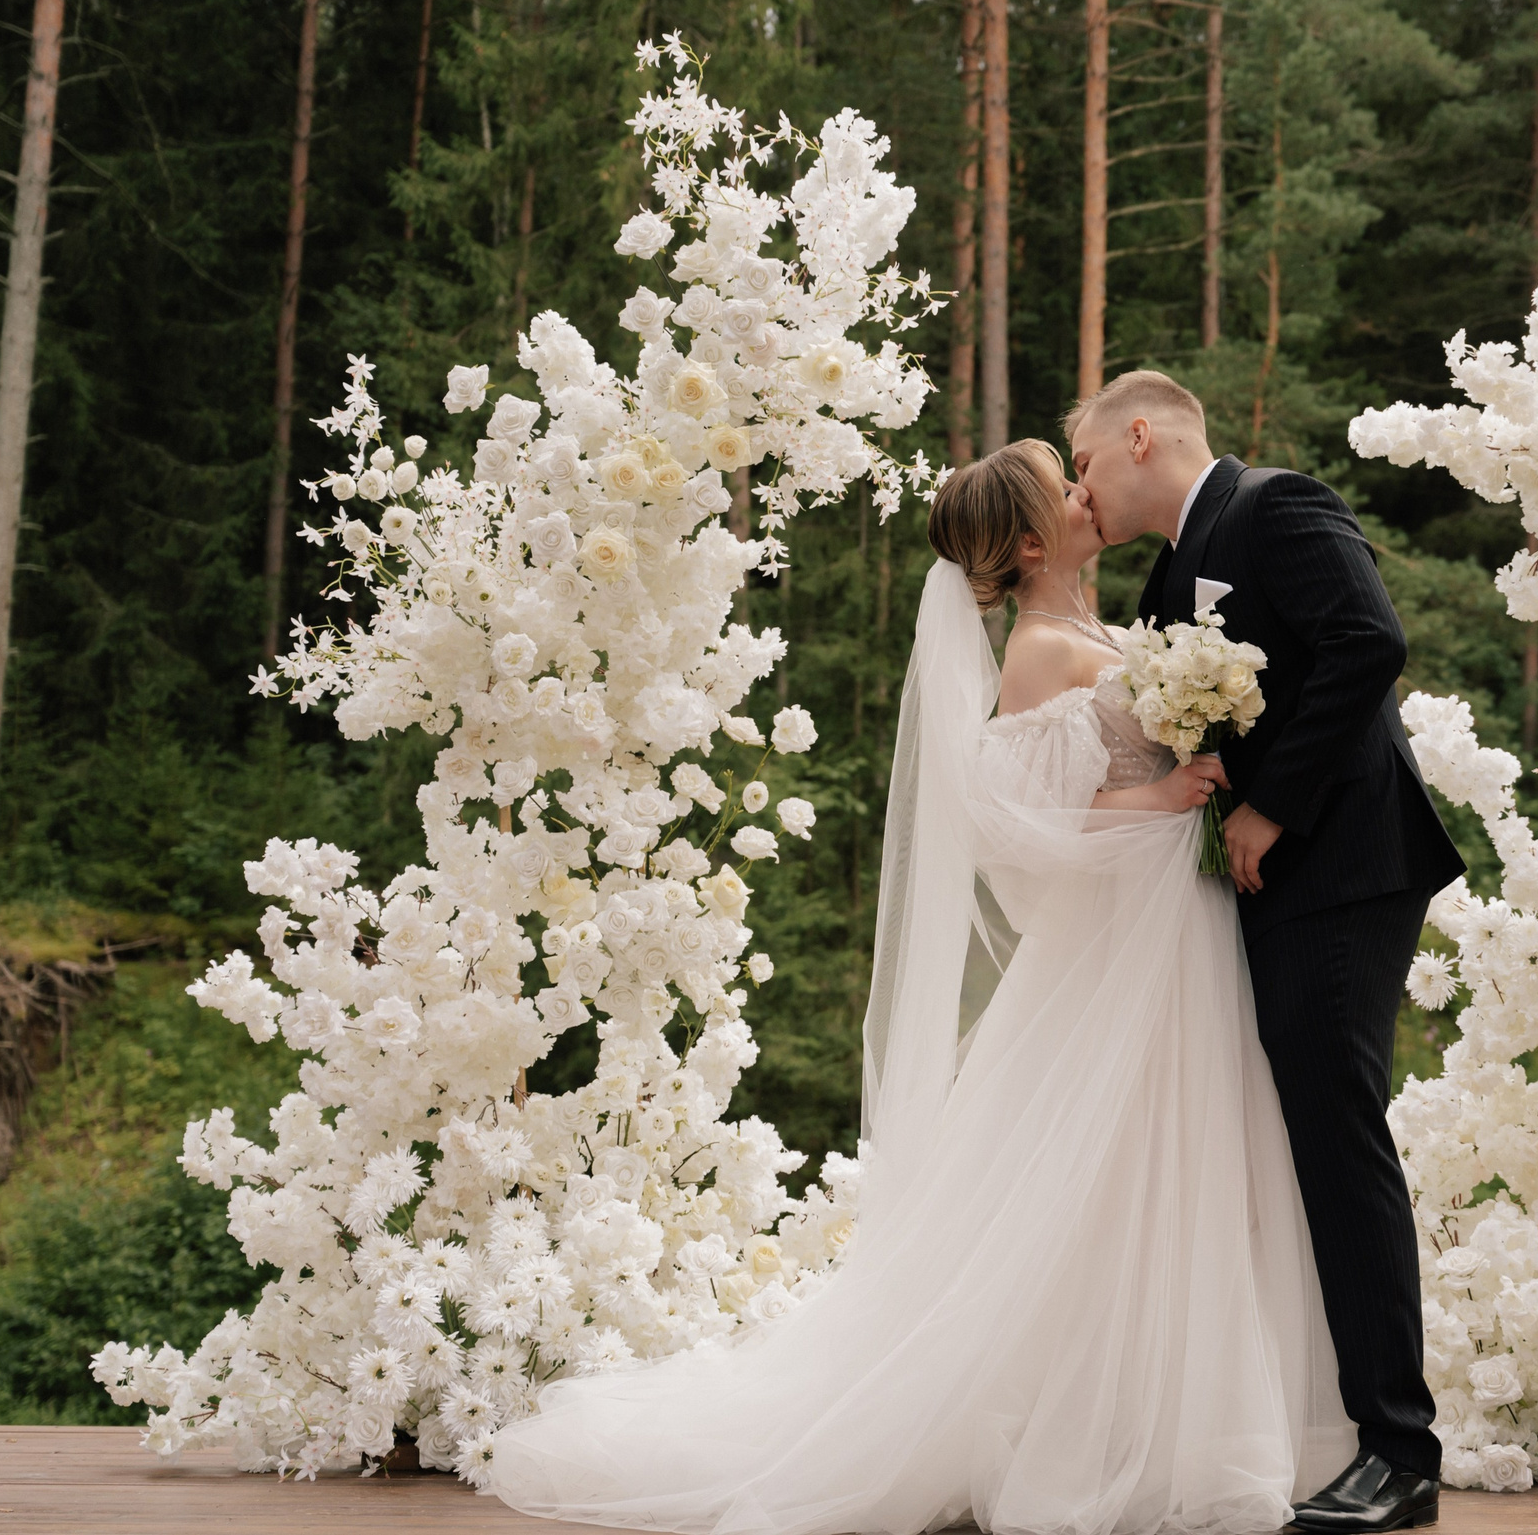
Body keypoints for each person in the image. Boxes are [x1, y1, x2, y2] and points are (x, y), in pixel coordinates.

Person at [487, 437, 1359, 1534]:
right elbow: (1018, 825)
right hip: (1120, 947)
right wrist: (1168, 795)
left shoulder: (1100, 623)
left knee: (1177, 1162)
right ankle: (1096, 1430)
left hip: (1175, 931)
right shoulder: (1041, 649)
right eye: (1067, 490)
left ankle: (1170, 1413)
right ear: (1036, 541)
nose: (1091, 497)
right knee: (1107, 1170)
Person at [1068, 372, 1465, 1535]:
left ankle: (1400, 1451)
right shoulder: (1166, 568)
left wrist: (1270, 806)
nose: (1082, 484)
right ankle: (1324, 1429)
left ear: (1140, 433)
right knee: (1293, 1148)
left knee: (1339, 1142)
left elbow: (1367, 641)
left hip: (1342, 869)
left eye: (1085, 459)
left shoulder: (1277, 507)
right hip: (1268, 885)